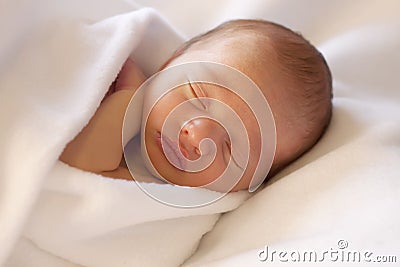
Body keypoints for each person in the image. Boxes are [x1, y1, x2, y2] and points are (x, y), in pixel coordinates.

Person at [60, 19, 332, 192]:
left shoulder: (161, 196)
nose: (200, 138)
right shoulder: (115, 55)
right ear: (169, 62)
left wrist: (127, 101)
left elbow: (81, 168)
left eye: (232, 150)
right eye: (197, 95)